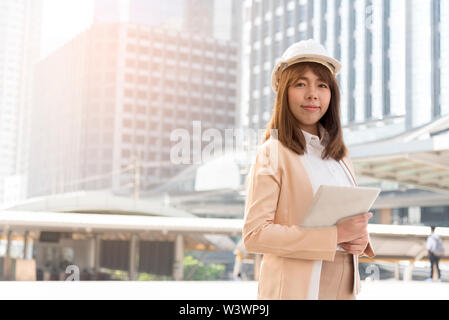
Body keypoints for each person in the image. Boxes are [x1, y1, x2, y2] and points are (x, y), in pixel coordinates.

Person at [242, 39, 375, 300]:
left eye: (322, 85)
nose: (312, 93)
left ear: (331, 94)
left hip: (343, 287)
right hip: (295, 290)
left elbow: (342, 218)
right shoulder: (273, 151)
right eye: (301, 84)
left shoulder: (340, 154)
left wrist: (358, 240)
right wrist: (334, 236)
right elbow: (255, 235)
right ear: (284, 93)